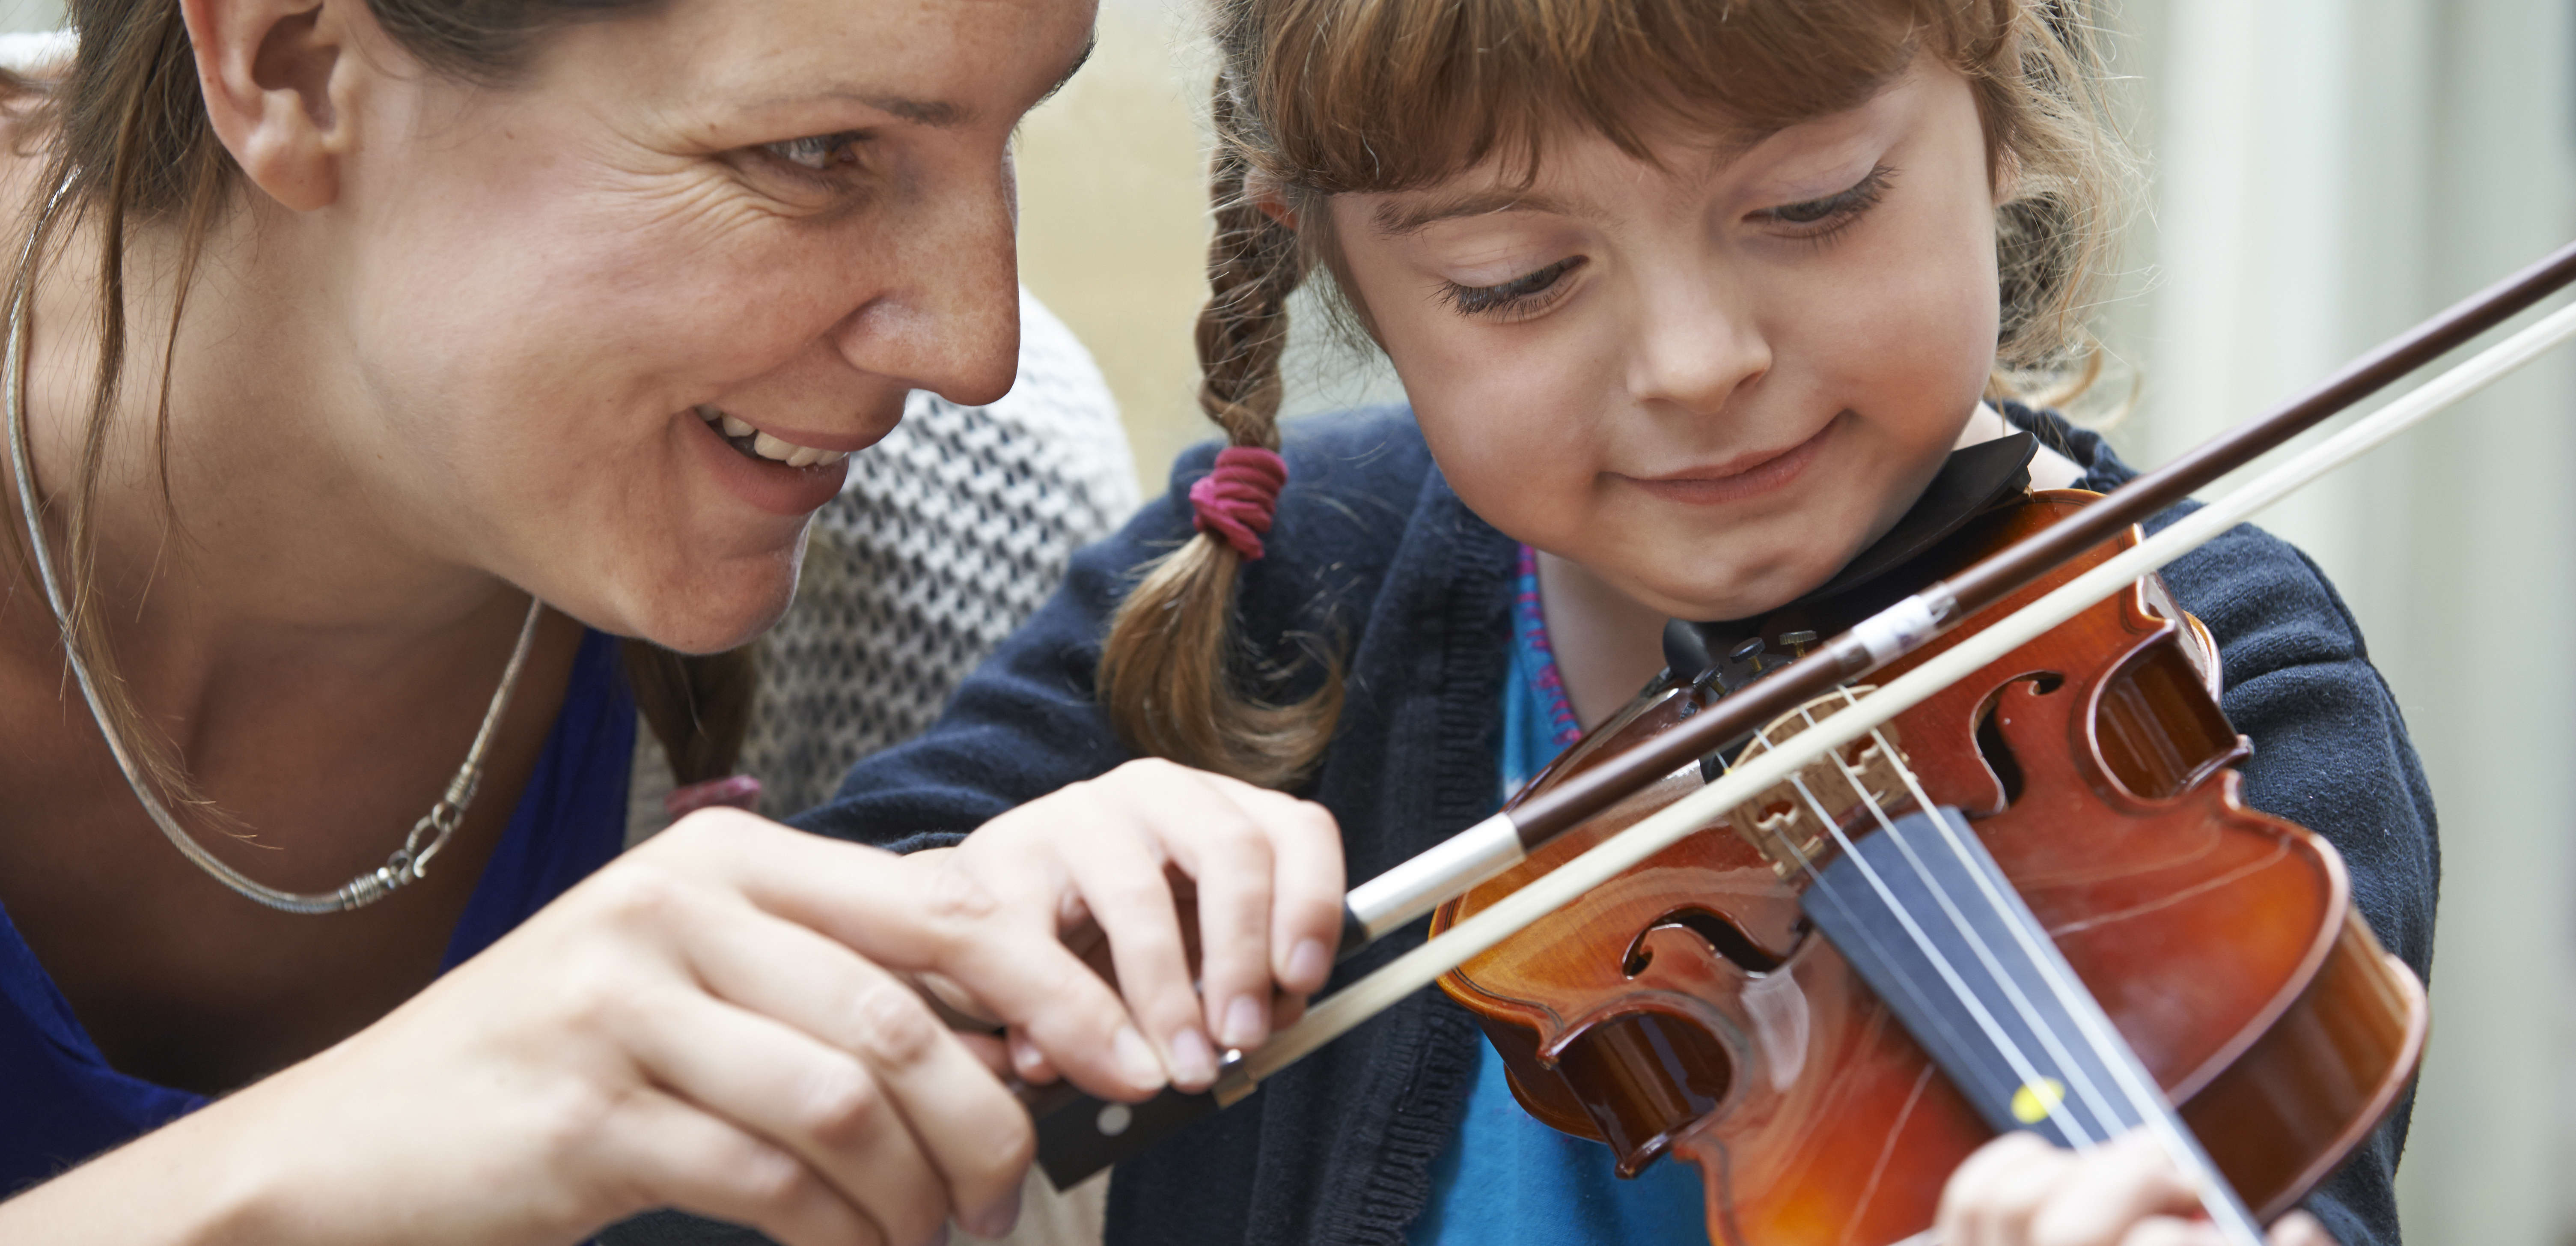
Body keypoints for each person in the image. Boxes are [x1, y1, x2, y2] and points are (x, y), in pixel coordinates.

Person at [796, 0, 2439, 1244]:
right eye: (1517, 278)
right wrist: (975, 912)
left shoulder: (2197, 678)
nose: (1694, 360)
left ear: (1996, 99)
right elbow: (751, 1051)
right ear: (1337, 269)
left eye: (1812, 205)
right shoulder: (1294, 585)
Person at [0, 2, 1349, 1243]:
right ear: (293, 65)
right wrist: (284, 1184)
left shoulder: (946, 514)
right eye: (817, 151)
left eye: (1012, 137)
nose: (970, 350)